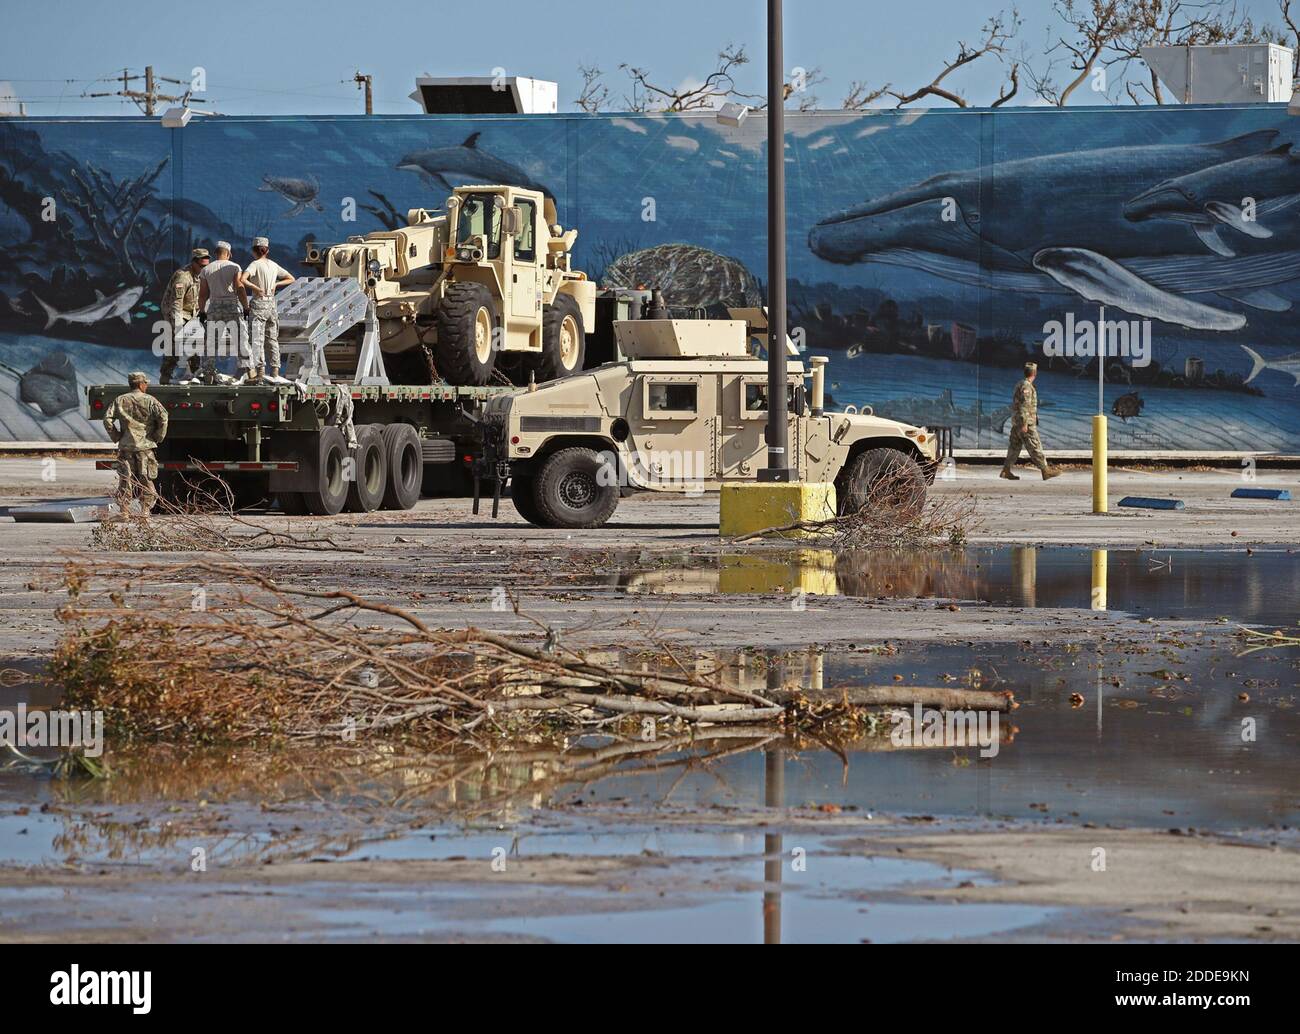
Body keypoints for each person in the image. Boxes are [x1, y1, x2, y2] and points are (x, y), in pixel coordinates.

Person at [102, 372, 169, 514]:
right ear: (140, 384)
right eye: (146, 383)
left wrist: (117, 436)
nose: (147, 385)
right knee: (145, 479)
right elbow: (164, 417)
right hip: (145, 446)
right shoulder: (150, 400)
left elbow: (107, 419)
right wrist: (158, 436)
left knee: (126, 479)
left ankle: (124, 512)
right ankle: (145, 512)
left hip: (126, 446)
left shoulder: (120, 400)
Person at [239, 236, 295, 383]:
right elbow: (291, 278)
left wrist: (255, 287)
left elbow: (243, 279)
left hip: (259, 304)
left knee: (257, 339)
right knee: (272, 339)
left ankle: (260, 372)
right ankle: (275, 371)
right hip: (271, 305)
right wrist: (276, 284)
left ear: (254, 251)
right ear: (267, 250)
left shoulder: (255, 264)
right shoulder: (273, 265)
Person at [196, 240, 250, 383]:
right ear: (229, 253)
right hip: (231, 306)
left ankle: (208, 373)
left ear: (216, 253)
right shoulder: (234, 267)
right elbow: (239, 287)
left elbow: (203, 294)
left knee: (211, 341)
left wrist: (202, 311)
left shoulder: (206, 270)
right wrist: (246, 307)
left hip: (214, 307)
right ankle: (243, 370)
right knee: (240, 339)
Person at [1001, 361, 1061, 481]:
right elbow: (1024, 405)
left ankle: (1006, 470)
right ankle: (1045, 470)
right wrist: (1024, 423)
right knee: (1035, 445)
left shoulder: (1021, 384)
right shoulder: (1027, 386)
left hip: (1017, 422)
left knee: (1014, 446)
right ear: (1034, 373)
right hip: (1025, 423)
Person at [158, 248, 209, 384]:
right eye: (202, 266)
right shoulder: (183, 276)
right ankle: (166, 377)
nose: (204, 269)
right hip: (175, 313)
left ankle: (194, 374)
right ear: (194, 263)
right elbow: (176, 305)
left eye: (206, 266)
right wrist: (179, 328)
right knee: (175, 344)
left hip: (192, 314)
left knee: (196, 343)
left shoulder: (203, 276)